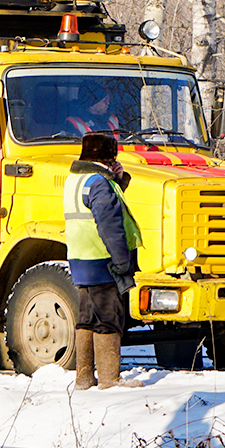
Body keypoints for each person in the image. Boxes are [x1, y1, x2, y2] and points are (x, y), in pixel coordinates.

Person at [62, 132, 143, 390]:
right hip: (102, 259)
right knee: (109, 318)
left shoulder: (75, 179)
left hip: (80, 259)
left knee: (86, 318)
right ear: (108, 159)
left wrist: (118, 180)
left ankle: (84, 377)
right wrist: (122, 262)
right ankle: (110, 379)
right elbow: (111, 226)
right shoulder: (98, 183)